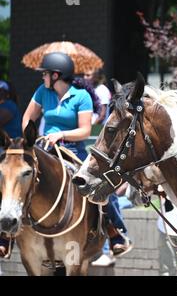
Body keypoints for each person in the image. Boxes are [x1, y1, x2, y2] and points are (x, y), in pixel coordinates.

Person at [0, 52, 132, 259]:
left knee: (101, 183)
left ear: (56, 75)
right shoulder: (43, 91)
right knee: (11, 178)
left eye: (45, 74)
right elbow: (28, 117)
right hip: (42, 147)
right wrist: (28, 141)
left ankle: (115, 231)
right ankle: (5, 236)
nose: (42, 77)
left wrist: (60, 134)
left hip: (73, 149)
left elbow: (85, 131)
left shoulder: (82, 97)